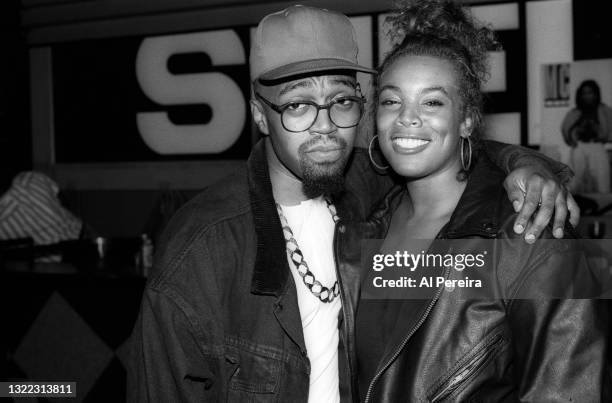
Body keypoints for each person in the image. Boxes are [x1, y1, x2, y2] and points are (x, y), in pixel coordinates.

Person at [127, 5, 579, 402]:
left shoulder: (371, 194)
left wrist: (531, 166)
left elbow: (439, 144)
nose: (325, 126)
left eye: (341, 100)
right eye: (298, 105)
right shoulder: (201, 250)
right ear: (260, 114)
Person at [355, 1, 609, 401]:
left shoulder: (530, 232)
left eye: (433, 102)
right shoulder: (365, 222)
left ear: (467, 120)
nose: (407, 117)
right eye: (391, 101)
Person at [562, 79, 612, 193]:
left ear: (596, 94)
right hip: (579, 146)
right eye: (584, 93)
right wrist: (574, 134)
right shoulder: (574, 112)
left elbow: (608, 131)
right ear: (580, 95)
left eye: (590, 92)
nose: (587, 96)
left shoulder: (605, 110)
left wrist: (599, 132)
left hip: (597, 146)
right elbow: (565, 130)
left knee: (603, 181)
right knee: (574, 181)